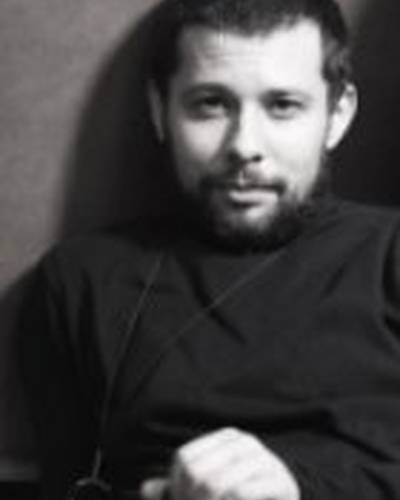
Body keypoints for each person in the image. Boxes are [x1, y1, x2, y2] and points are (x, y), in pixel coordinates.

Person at [20, 0, 400, 499]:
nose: (244, 145)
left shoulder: (390, 254)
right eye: (210, 104)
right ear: (160, 110)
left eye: (283, 105)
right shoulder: (80, 281)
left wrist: (298, 491)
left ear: (337, 113)